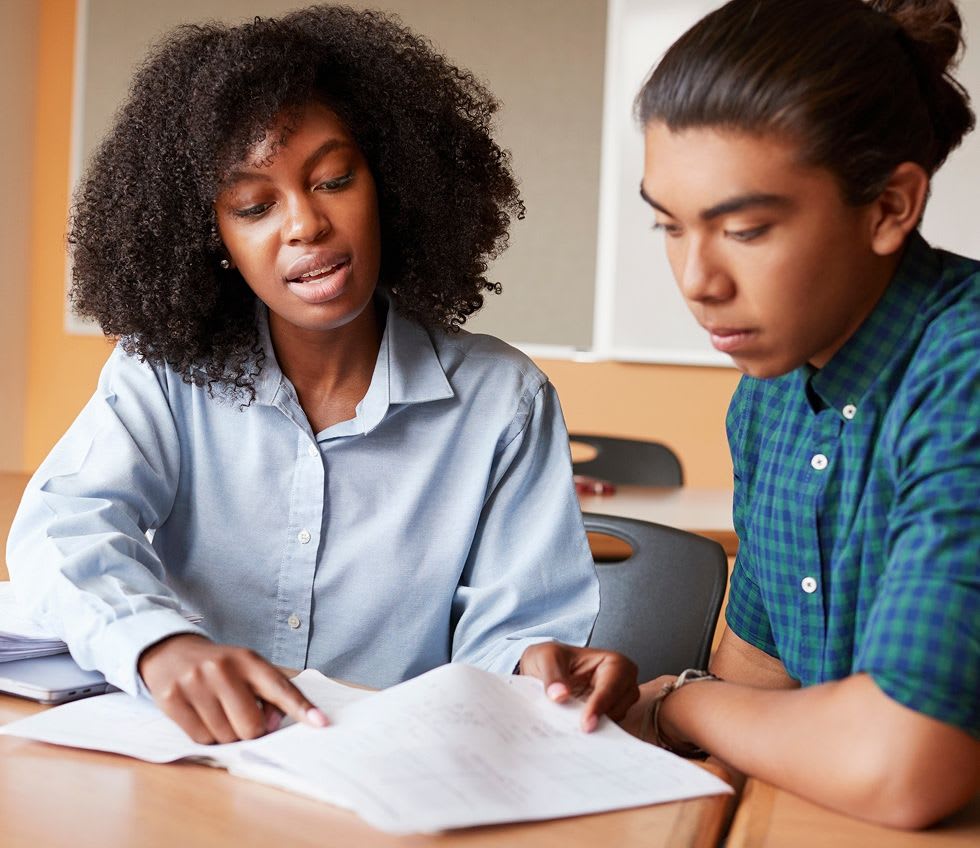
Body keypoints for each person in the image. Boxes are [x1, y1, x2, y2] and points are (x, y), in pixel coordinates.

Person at [6, 6, 637, 745]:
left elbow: (511, 638)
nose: (304, 224)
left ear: (392, 186)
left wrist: (538, 666)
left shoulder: (502, 402)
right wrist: (156, 643)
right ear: (215, 238)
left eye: (333, 179)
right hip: (191, 768)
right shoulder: (164, 374)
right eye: (254, 205)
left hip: (389, 780)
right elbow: (63, 529)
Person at [624, 0, 979, 829]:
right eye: (669, 227)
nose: (696, 279)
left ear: (891, 207)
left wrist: (678, 704)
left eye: (744, 229)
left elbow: (903, 763)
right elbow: (759, 682)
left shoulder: (963, 373)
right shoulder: (769, 395)